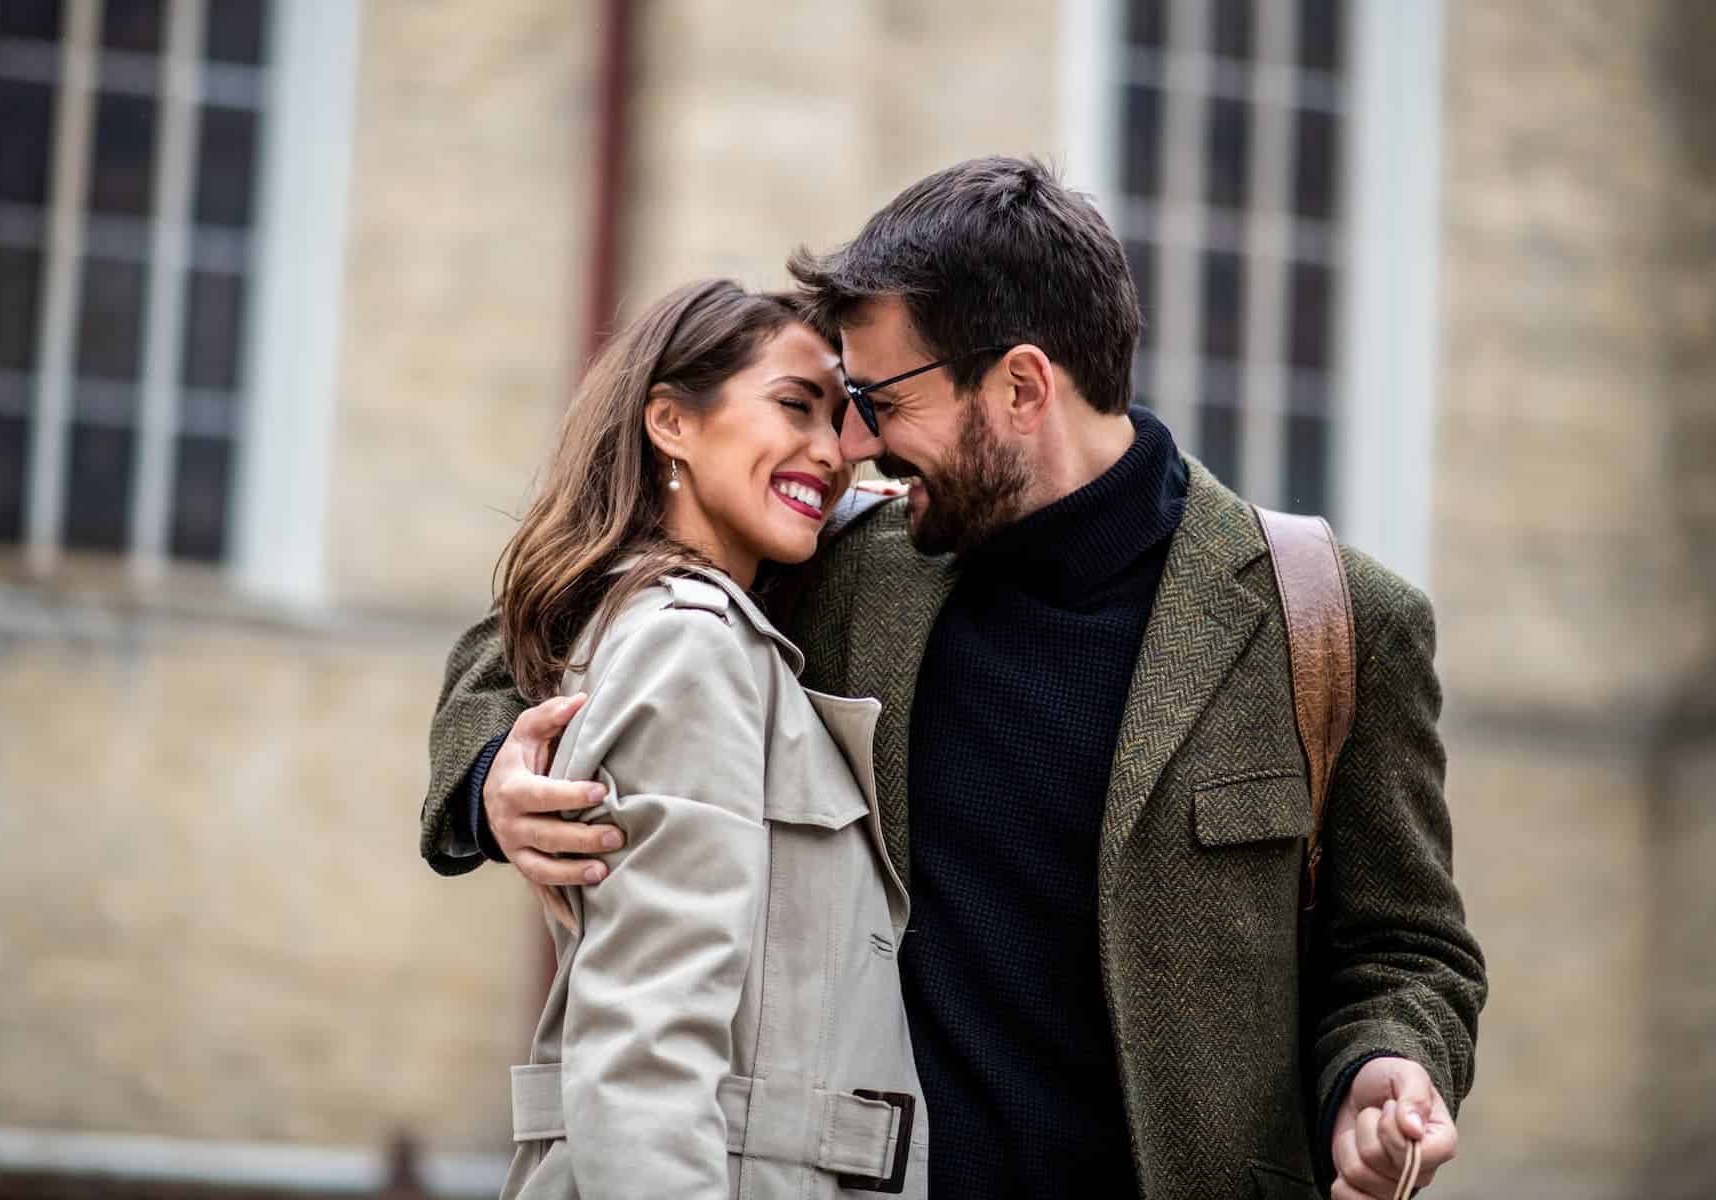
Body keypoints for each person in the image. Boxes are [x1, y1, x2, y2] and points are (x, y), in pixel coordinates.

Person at [426, 158, 1487, 1200]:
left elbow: (1403, 946)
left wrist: (1383, 1065)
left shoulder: (1335, 622)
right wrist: (490, 782)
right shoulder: (848, 568)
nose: (854, 444)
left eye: (877, 400)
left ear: (1020, 386)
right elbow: (557, 605)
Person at [486, 279, 928, 1198]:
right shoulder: (690, 641)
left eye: (842, 420)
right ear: (670, 422)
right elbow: (647, 1045)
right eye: (792, 407)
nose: (830, 451)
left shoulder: (675, 626)